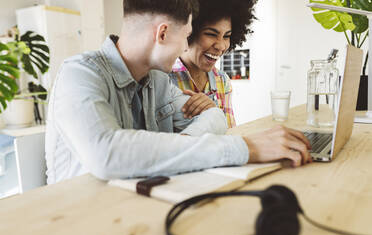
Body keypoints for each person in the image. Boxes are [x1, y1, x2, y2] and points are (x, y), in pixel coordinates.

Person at [45, 0, 312, 184]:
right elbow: (106, 154)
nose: (186, 44)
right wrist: (247, 147)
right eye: (186, 35)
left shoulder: (156, 82)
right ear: (162, 33)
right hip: (77, 221)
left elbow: (216, 118)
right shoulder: (79, 74)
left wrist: (179, 150)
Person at [170, 0, 256, 128]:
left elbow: (229, 134)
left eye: (227, 36)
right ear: (189, 33)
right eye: (211, 34)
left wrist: (213, 113)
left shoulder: (222, 80)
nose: (221, 46)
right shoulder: (162, 78)